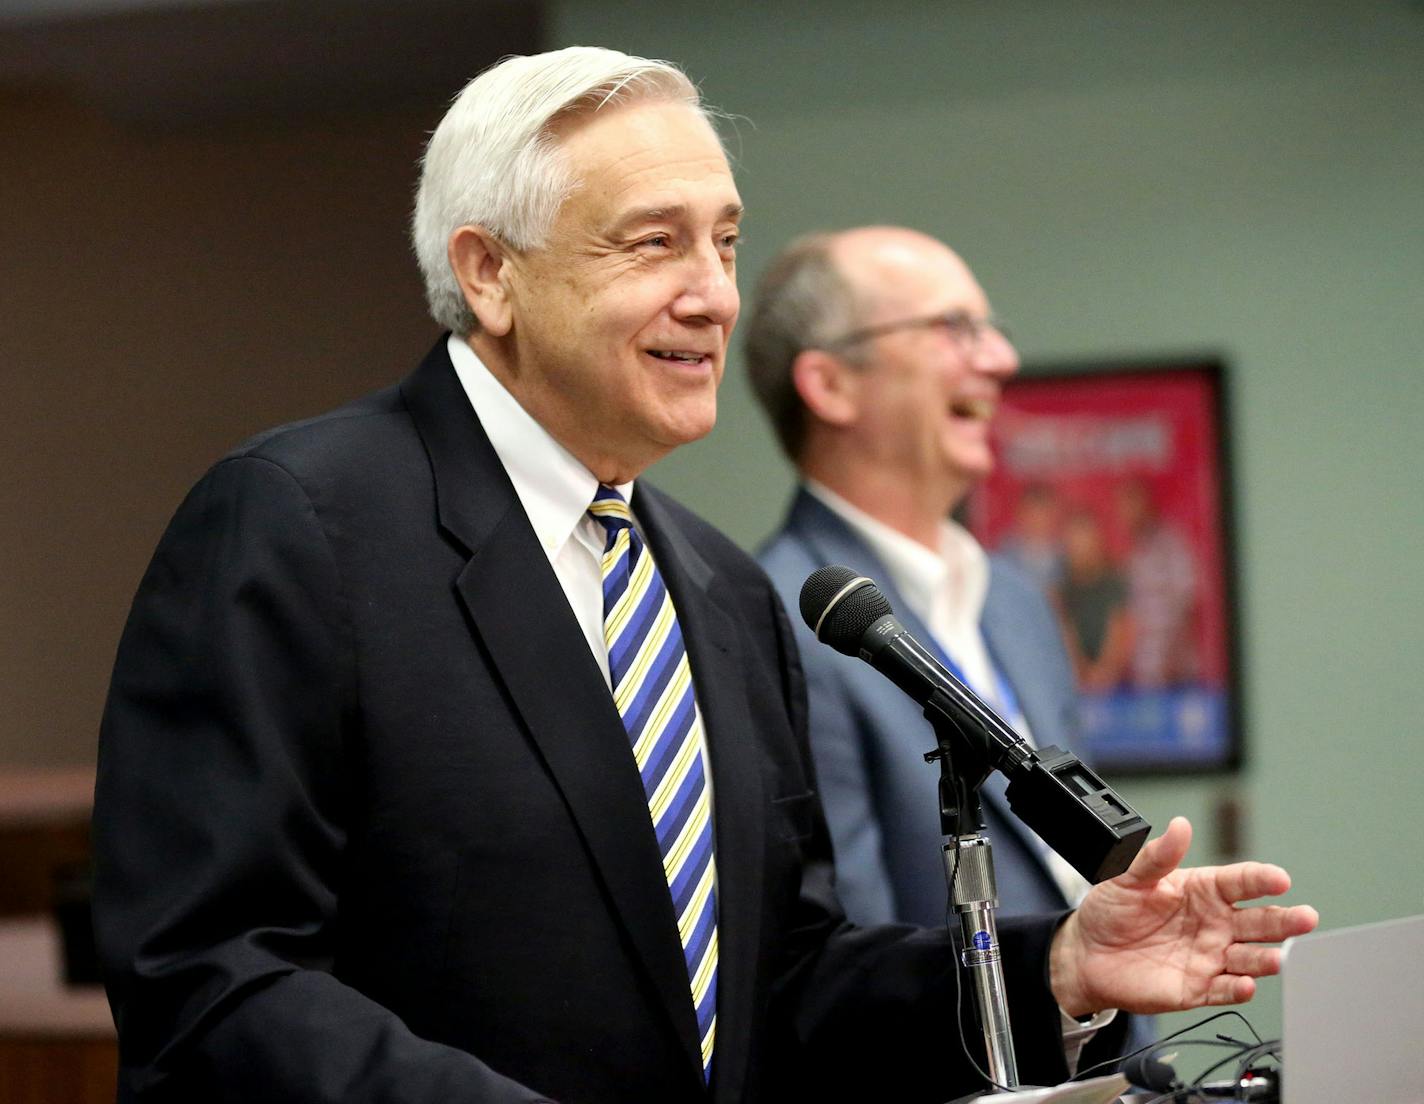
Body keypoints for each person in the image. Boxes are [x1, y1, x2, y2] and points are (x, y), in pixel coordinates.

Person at [93, 52, 1315, 1104]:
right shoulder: (298, 523)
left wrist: (1049, 968)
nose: (715, 295)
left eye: (725, 242)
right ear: (488, 273)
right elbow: (210, 979)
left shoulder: (724, 590)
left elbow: (786, 984)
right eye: (654, 243)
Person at [750, 227, 1103, 925]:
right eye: (956, 328)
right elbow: (853, 956)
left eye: (991, 330)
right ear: (830, 384)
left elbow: (1084, 872)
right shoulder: (776, 621)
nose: (1002, 359)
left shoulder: (1015, 600)